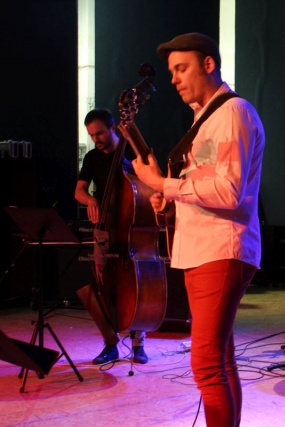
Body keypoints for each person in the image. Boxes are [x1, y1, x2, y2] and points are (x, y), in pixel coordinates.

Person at [127, 32, 264, 427]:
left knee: (205, 363)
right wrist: (171, 199)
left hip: (220, 249)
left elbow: (229, 191)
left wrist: (163, 184)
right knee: (219, 359)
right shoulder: (204, 117)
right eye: (171, 71)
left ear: (208, 64)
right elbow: (205, 183)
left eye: (181, 68)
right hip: (205, 249)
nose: (174, 78)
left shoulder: (232, 113)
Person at [74, 108, 149, 364]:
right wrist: (90, 199)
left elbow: (150, 183)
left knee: (137, 285)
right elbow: (79, 191)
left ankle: (138, 343)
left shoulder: (131, 152)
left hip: (130, 228)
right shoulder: (92, 157)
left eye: (99, 134)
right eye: (91, 135)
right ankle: (110, 343)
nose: (95, 139)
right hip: (104, 228)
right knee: (102, 286)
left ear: (113, 128)